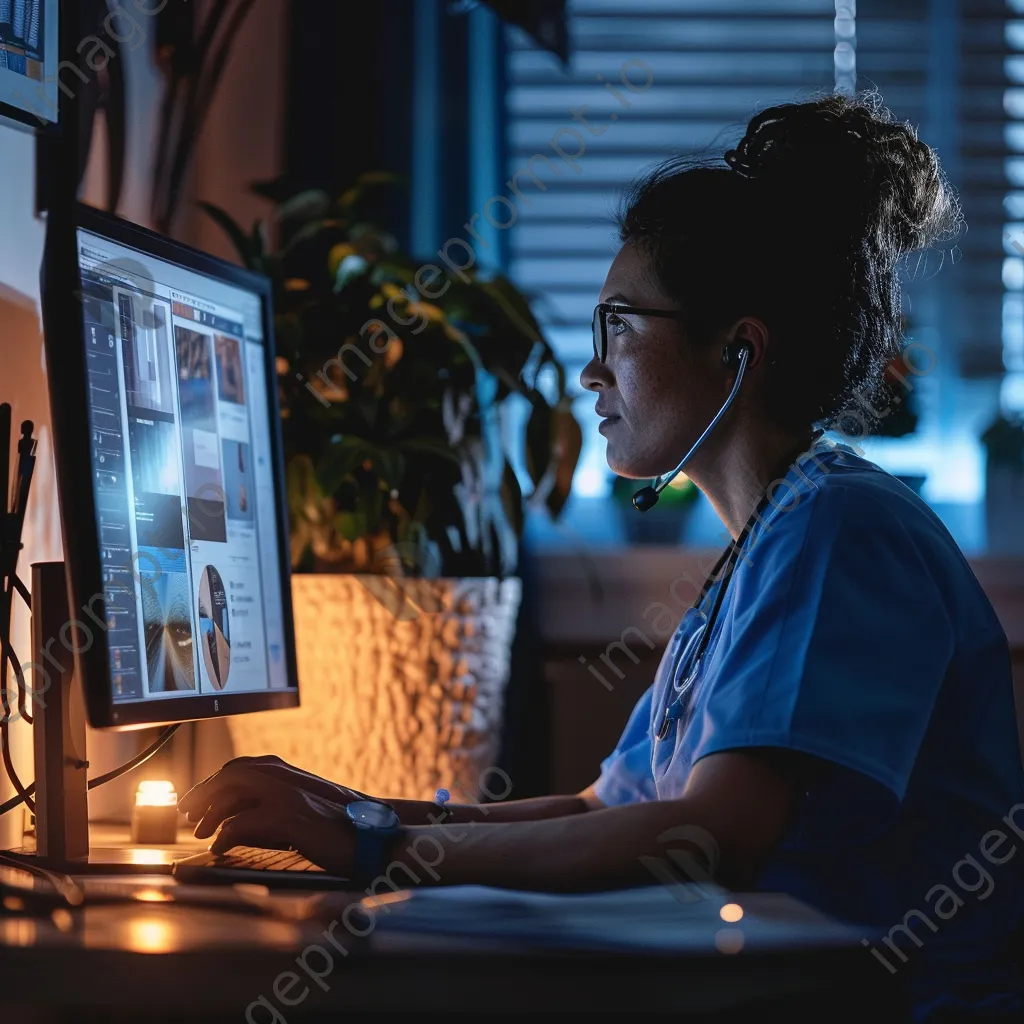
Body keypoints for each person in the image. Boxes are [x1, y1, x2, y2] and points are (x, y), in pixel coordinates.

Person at [179, 92, 1024, 1020]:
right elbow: (598, 810)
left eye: (619, 325)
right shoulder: (771, 539)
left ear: (738, 352)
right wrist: (359, 812)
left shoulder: (841, 531)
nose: (592, 369)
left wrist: (378, 851)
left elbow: (713, 835)